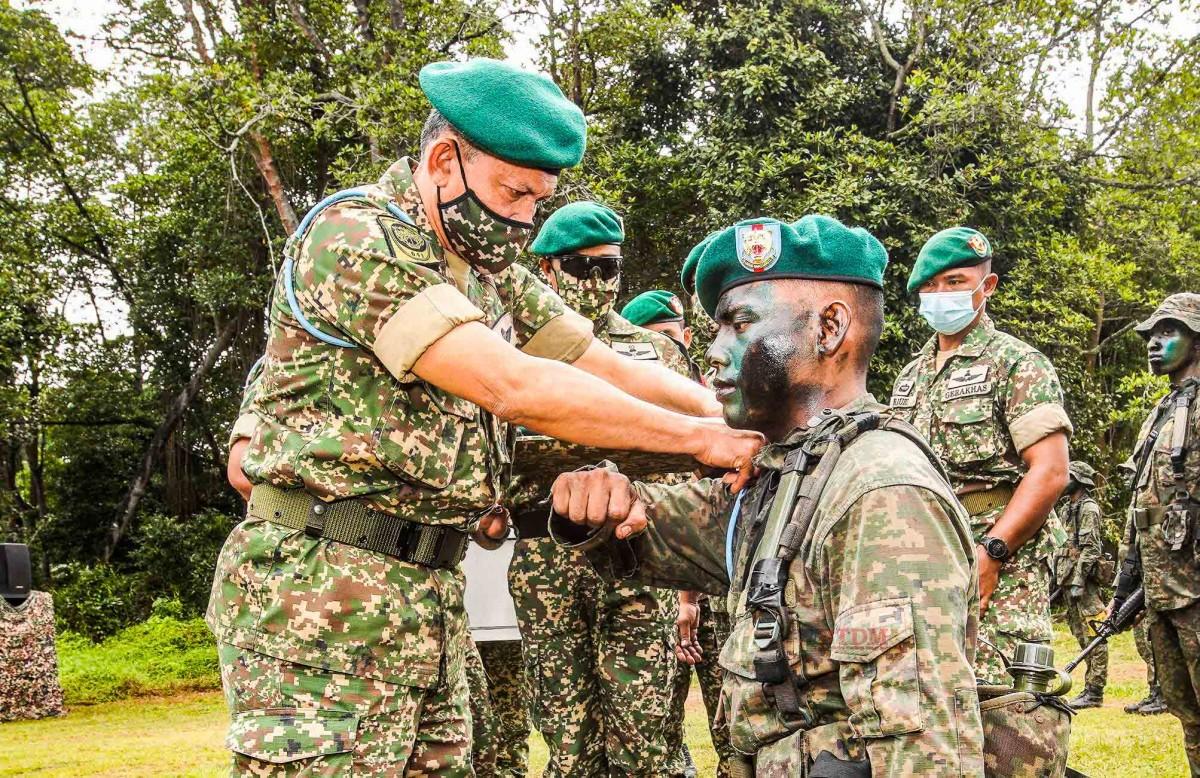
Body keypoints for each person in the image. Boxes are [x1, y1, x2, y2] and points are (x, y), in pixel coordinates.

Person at [208, 57, 762, 776]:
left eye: (539, 201)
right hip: (321, 600)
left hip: (427, 597)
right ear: (443, 161)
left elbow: (600, 361)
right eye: (514, 193)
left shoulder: (488, 271)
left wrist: (734, 415)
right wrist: (700, 441)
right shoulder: (353, 237)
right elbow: (514, 385)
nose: (524, 220)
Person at [549, 216, 984, 774]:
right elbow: (673, 528)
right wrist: (601, 502)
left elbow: (926, 747)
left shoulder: (880, 488)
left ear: (830, 329)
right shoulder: (793, 469)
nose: (714, 351)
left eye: (739, 324)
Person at [506, 201, 693, 777]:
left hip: (636, 551)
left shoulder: (656, 354)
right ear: (547, 270)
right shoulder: (507, 351)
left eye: (606, 269)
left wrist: (687, 577)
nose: (595, 282)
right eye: (579, 268)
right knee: (567, 737)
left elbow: (688, 461)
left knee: (646, 731)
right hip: (543, 557)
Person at [889, 227, 1071, 685]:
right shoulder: (910, 376)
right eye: (929, 286)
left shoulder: (1017, 363)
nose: (939, 294)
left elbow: (1049, 471)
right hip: (925, 557)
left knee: (998, 702)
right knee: (926, 694)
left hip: (1000, 561)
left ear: (985, 287)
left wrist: (991, 553)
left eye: (954, 282)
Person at [623, 287, 735, 777]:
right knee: (658, 723)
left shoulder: (718, 404)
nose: (667, 353)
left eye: (674, 339)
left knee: (733, 720)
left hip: (714, 587)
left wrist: (689, 601)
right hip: (660, 586)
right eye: (655, 341)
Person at [1112, 293, 1200, 771]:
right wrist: (1127, 583)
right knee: (1188, 715)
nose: (1154, 343)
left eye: (1169, 332)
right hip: (1163, 590)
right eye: (1151, 335)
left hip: (1195, 590)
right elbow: (1141, 507)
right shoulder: (1164, 411)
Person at [1053, 461, 1109, 709]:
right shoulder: (1067, 508)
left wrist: (1078, 580)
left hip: (1083, 584)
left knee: (1096, 634)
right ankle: (1090, 688)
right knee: (1080, 635)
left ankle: (1095, 691)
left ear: (1079, 480)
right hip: (1067, 581)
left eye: (1069, 476)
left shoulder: (1088, 509)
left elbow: (1091, 549)